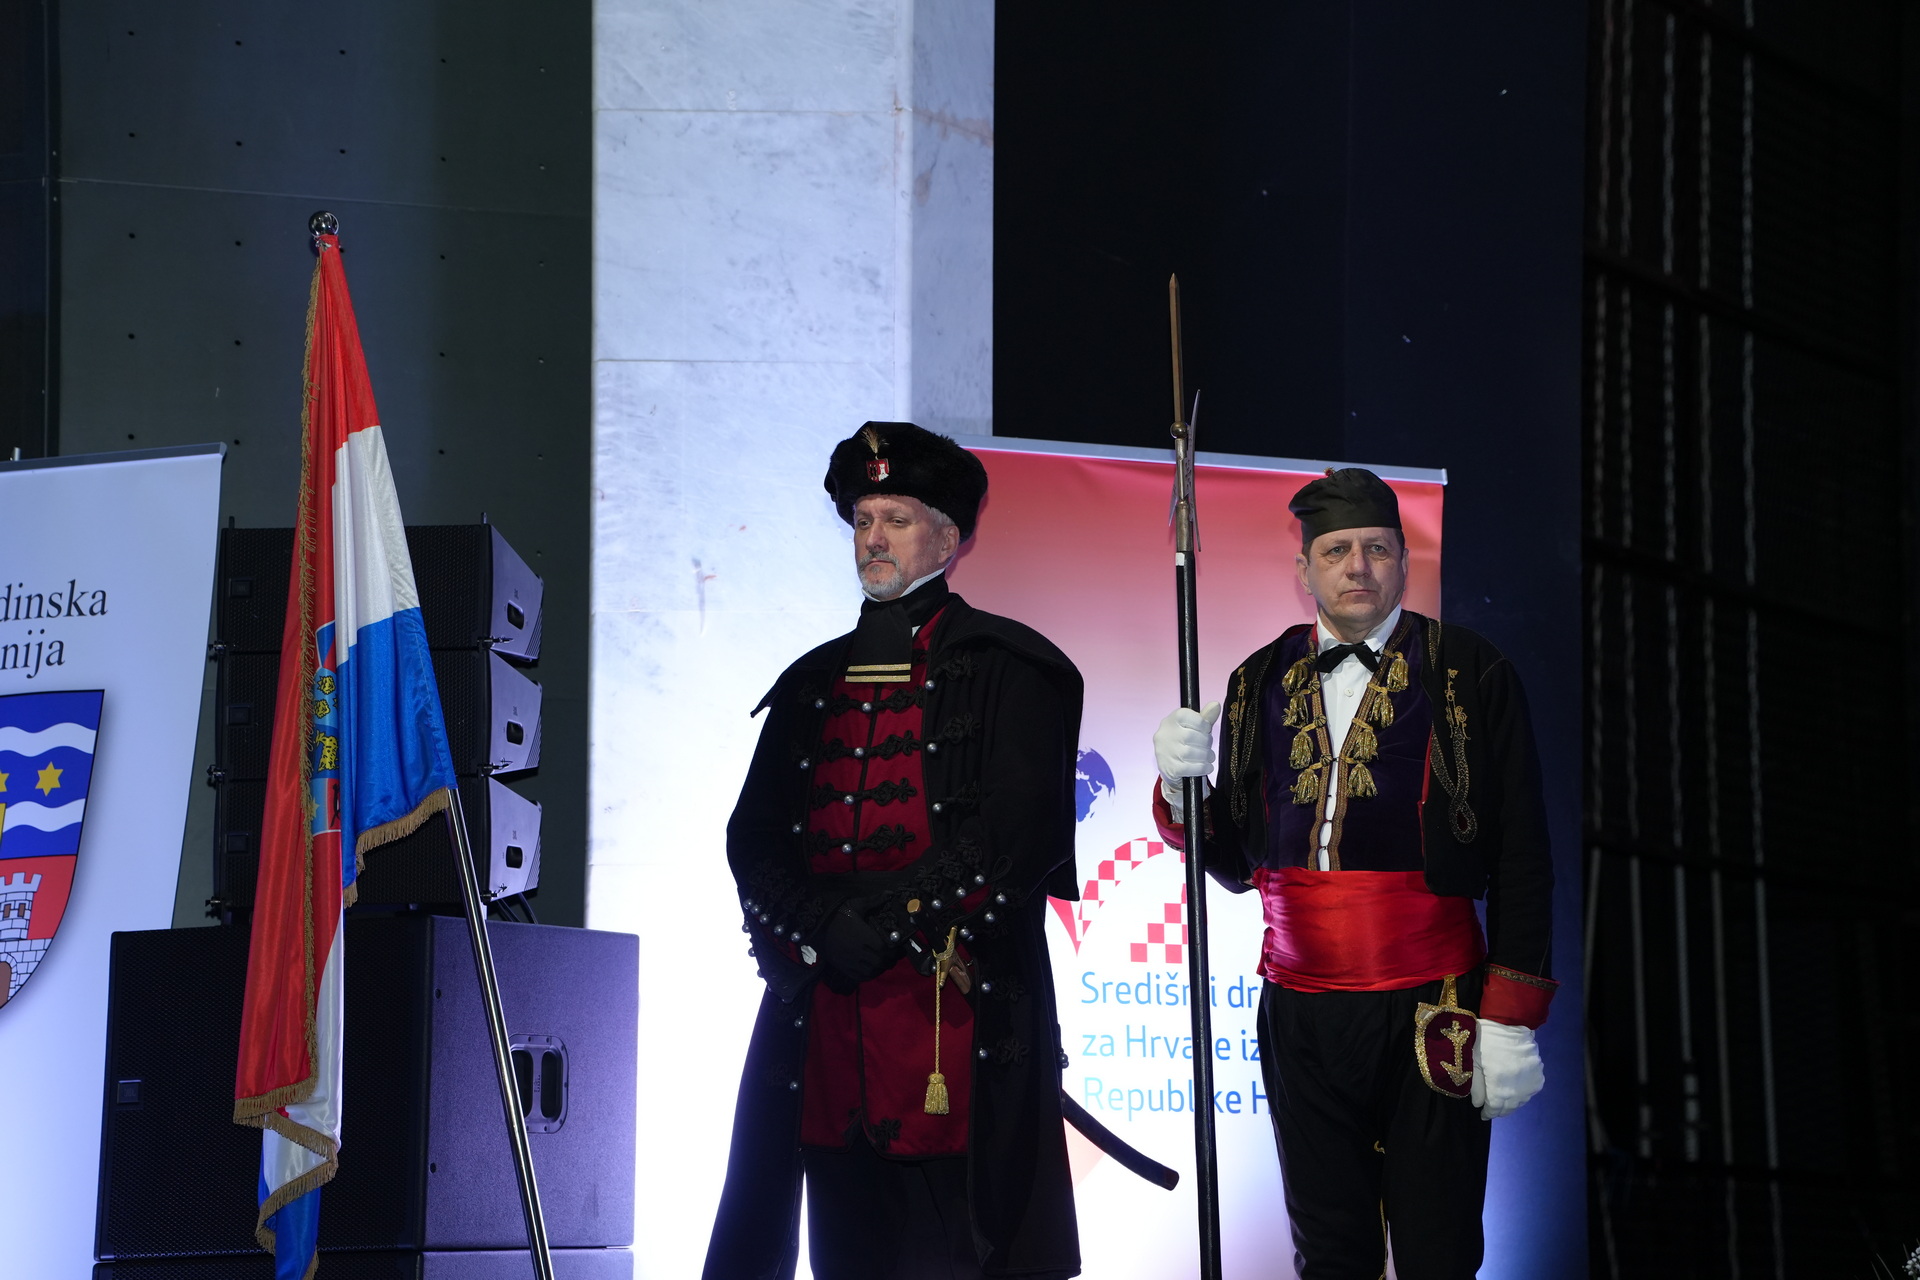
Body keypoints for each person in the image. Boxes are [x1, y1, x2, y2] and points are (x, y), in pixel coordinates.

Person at [1151, 467, 1556, 1280]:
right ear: (1304, 569)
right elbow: (1235, 861)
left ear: (1404, 560)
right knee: (1329, 1248)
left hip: (1435, 1001)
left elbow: (1523, 854)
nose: (1357, 567)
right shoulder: (1255, 680)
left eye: (1376, 549)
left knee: (1438, 1245)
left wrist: (1510, 1017)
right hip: (1299, 1011)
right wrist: (1178, 790)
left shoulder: (1472, 670)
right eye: (1336, 551)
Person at [705, 422, 1083, 1280]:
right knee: (843, 1244)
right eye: (864, 520)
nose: (874, 538)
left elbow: (1015, 835)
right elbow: (752, 834)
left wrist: (889, 924)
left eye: (897, 519)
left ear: (948, 540)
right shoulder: (811, 680)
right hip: (825, 1014)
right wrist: (819, 927)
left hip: (951, 1010)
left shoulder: (1011, 667)